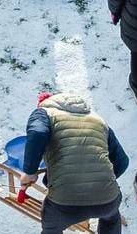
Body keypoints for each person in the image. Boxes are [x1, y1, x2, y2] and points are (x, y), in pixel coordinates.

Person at [23, 92, 129, 234]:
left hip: (64, 204)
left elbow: (38, 133)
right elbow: (122, 162)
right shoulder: (98, 120)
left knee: (51, 228)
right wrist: (99, 182)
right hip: (107, 199)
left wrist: (30, 172)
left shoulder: (44, 113)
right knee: (111, 218)